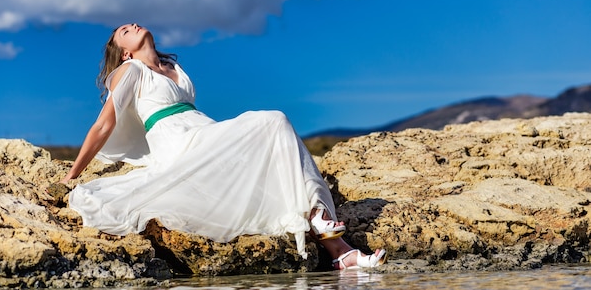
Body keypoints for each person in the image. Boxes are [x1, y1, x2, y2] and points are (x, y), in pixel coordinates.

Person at [61, 23, 387, 270]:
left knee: (279, 158)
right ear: (125, 53)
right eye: (123, 31)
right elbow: (104, 124)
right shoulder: (131, 70)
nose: (131, 25)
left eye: (131, 23)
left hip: (206, 133)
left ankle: (340, 252)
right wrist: (72, 174)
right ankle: (323, 223)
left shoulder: (172, 68)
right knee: (274, 120)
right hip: (180, 145)